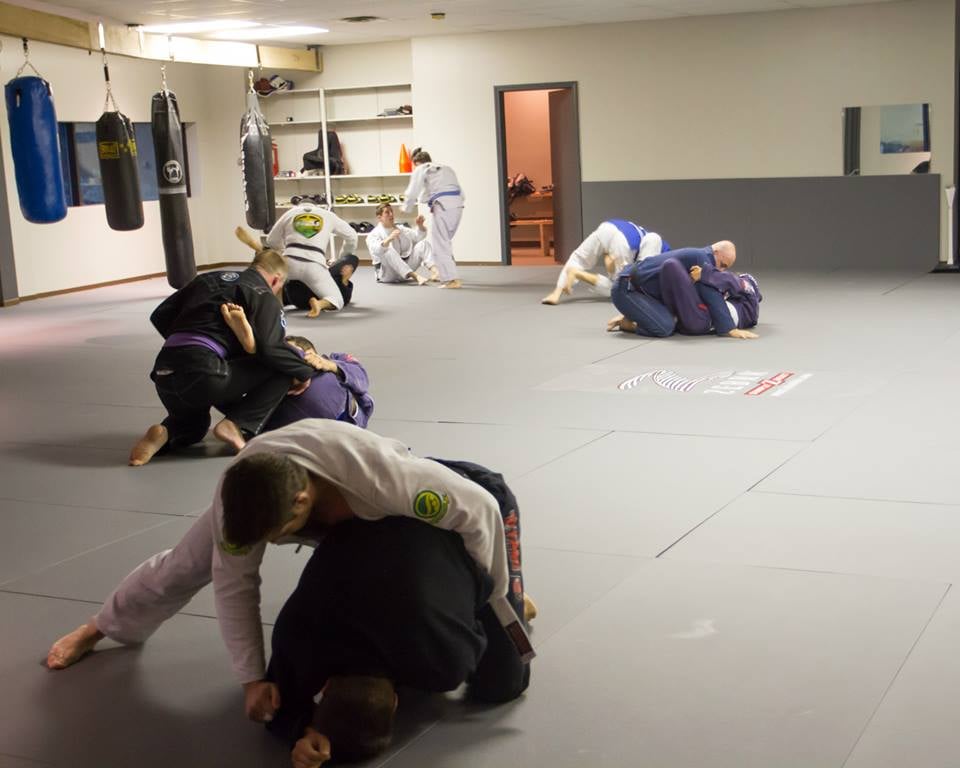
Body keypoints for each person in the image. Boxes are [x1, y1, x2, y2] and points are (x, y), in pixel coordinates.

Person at [46, 421, 531, 731]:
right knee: (183, 566)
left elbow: (482, 513)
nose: (264, 546)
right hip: (283, 497)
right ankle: (100, 626)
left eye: (274, 537)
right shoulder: (237, 498)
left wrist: (491, 593)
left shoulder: (388, 481)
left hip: (432, 509)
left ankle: (508, 593)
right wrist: (251, 679)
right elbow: (236, 587)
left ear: (302, 504)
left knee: (497, 640)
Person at [267, 515, 531, 765]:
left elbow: (477, 627)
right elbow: (272, 708)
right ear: (324, 688)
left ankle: (516, 602)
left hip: (468, 518)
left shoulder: (446, 664)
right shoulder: (296, 639)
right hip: (374, 522)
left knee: (507, 683)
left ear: (395, 703)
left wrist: (300, 732)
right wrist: (303, 732)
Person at [127, 250, 323, 466]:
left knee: (194, 426)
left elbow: (160, 315)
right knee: (281, 366)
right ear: (276, 280)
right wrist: (304, 371)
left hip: (164, 372)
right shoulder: (263, 293)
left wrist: (191, 343)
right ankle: (237, 424)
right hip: (205, 371)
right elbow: (272, 349)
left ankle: (163, 433)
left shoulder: (206, 279)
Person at [219, 306, 374, 430]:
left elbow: (361, 377)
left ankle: (256, 347)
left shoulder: (332, 362)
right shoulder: (268, 391)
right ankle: (251, 348)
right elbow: (233, 404)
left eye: (288, 356)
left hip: (344, 418)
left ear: (312, 353)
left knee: (288, 361)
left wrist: (331, 366)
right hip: (299, 433)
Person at [606, 244, 757, 339]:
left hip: (640, 291)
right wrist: (729, 328)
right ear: (715, 253)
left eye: (726, 268)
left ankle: (636, 314)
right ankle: (630, 323)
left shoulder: (700, 260)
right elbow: (711, 295)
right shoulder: (701, 259)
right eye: (722, 264)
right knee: (665, 328)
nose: (721, 270)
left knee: (671, 321)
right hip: (626, 288)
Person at [540, 219, 666, 305]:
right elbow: (642, 276)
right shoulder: (662, 252)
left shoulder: (657, 245)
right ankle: (580, 273)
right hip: (626, 242)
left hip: (609, 227)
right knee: (619, 288)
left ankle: (557, 292)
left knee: (579, 258)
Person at [265, 202, 359, 316]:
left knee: (277, 281)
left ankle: (277, 305)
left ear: (299, 205)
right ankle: (320, 304)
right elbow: (352, 237)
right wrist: (342, 257)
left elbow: (271, 240)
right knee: (337, 300)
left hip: (289, 262)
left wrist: (283, 251)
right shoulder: (328, 215)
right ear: (316, 206)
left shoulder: (290, 213)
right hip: (315, 264)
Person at [401, 149, 464, 289]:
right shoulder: (446, 169)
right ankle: (447, 274)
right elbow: (460, 192)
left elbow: (413, 190)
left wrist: (406, 207)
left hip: (443, 206)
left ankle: (451, 280)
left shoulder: (422, 169)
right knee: (445, 242)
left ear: (417, 163)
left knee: (439, 244)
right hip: (458, 207)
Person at [367, 202, 434, 285]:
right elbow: (376, 250)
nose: (391, 214)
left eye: (391, 211)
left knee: (423, 244)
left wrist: (420, 226)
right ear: (379, 217)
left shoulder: (400, 228)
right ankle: (416, 276)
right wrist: (388, 239)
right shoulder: (374, 234)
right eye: (387, 212)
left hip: (403, 269)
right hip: (387, 274)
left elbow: (418, 237)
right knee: (387, 249)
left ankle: (435, 272)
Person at [284, 254, 359, 311]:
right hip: (296, 293)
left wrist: (344, 279)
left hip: (297, 289)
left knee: (352, 258)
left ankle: (319, 304)